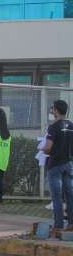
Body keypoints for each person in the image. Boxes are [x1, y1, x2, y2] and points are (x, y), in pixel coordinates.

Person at [43, 100, 73, 234]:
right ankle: (71, 224)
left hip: (55, 165)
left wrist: (43, 150)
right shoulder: (71, 125)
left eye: (52, 109)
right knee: (70, 195)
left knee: (57, 197)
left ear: (55, 110)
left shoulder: (53, 127)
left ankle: (58, 225)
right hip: (68, 164)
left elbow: (48, 147)